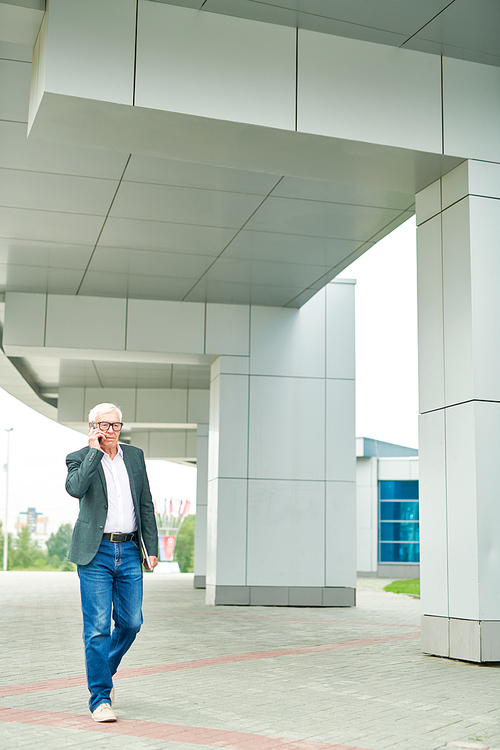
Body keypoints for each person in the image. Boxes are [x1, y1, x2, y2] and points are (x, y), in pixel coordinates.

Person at [65, 403, 158, 723]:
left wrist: (152, 547)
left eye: (114, 426)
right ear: (91, 426)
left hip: (130, 550)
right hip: (95, 553)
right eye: (102, 425)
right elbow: (75, 488)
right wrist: (94, 452)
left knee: (132, 622)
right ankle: (100, 699)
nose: (109, 431)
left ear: (121, 427)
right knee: (97, 629)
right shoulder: (78, 457)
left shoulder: (134, 456)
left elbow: (145, 503)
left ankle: (105, 669)